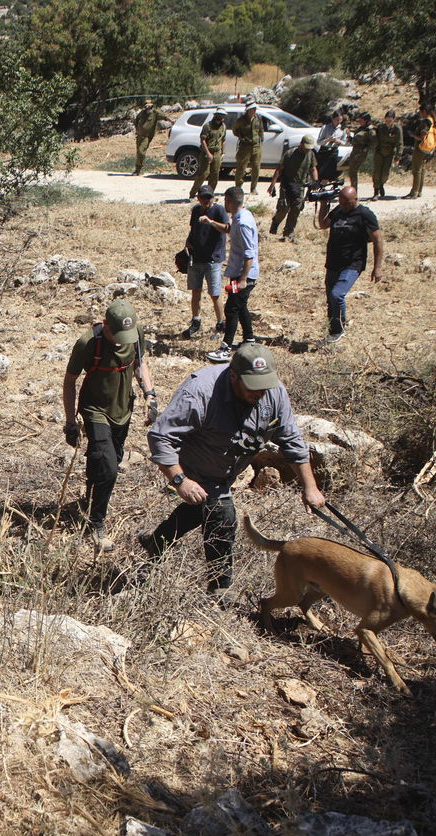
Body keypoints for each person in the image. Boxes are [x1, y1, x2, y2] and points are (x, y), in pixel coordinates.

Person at [142, 343, 326, 604]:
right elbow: (161, 437)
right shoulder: (199, 392)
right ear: (233, 375)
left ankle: (157, 542)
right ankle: (221, 589)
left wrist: (310, 487)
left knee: (201, 505)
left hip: (228, 467)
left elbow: (292, 440)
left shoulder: (273, 392)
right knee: (223, 513)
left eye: (264, 384)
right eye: (252, 385)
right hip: (196, 463)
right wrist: (181, 480)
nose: (260, 392)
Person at [63, 299, 158, 552]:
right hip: (95, 409)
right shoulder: (88, 343)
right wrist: (71, 422)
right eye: (117, 334)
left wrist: (150, 395)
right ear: (105, 325)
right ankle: (97, 523)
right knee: (108, 466)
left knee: (108, 459)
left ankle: (90, 497)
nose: (122, 339)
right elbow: (70, 381)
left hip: (123, 407)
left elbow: (139, 363)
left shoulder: (135, 334)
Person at [315, 185, 384, 344]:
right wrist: (324, 204)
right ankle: (333, 331)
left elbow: (378, 240)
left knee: (337, 294)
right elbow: (323, 224)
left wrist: (377, 267)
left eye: (347, 203)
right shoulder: (339, 210)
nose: (344, 206)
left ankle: (340, 329)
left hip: (353, 263)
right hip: (333, 262)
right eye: (341, 202)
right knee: (330, 299)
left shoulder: (365, 215)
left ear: (356, 199)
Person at [207, 186, 258, 363]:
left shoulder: (243, 222)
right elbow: (230, 229)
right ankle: (249, 339)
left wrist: (243, 279)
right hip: (238, 273)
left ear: (229, 201)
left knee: (232, 308)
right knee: (240, 306)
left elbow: (249, 254)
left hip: (244, 275)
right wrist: (212, 223)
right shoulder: (240, 217)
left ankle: (226, 348)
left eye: (225, 201)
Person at [180, 185, 228, 339]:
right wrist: (188, 241)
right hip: (196, 257)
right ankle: (196, 321)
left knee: (215, 293)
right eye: (203, 198)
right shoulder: (195, 210)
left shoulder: (219, 210)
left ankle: (221, 324)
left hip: (212, 259)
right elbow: (193, 228)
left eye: (209, 197)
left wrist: (211, 222)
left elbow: (227, 228)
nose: (206, 201)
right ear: (199, 198)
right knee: (195, 290)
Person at [268, 134, 319, 244]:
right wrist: (272, 185)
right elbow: (279, 169)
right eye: (306, 147)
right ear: (301, 144)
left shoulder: (311, 154)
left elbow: (313, 168)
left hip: (300, 186)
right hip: (287, 185)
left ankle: (288, 233)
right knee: (284, 208)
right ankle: (275, 223)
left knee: (296, 210)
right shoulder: (290, 154)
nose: (307, 150)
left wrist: (315, 181)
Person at [189, 110, 227, 200]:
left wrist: (222, 153)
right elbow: (203, 140)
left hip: (217, 152)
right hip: (207, 152)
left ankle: (209, 194)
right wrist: (208, 153)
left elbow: (223, 140)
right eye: (219, 115)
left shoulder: (223, 126)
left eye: (223, 115)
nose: (221, 117)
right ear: (215, 115)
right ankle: (193, 193)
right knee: (203, 174)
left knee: (215, 175)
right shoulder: (207, 126)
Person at [404, 105, 436, 199]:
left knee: (416, 169)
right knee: (422, 169)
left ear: (424, 111)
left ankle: (414, 192)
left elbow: (422, 137)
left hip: (420, 147)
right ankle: (419, 191)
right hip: (427, 147)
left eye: (420, 111)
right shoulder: (433, 121)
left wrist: (412, 135)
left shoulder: (425, 122)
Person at [231, 103, 265, 194]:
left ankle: (253, 188)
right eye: (252, 109)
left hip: (256, 146)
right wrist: (241, 137)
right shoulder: (241, 120)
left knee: (256, 167)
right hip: (245, 147)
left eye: (254, 109)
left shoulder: (258, 118)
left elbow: (261, 130)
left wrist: (260, 140)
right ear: (247, 110)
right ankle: (238, 187)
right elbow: (234, 130)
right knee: (241, 168)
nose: (253, 111)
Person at [341, 112, 375, 192]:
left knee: (353, 171)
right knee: (351, 171)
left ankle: (354, 190)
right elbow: (354, 141)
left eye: (362, 120)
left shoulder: (370, 130)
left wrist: (366, 148)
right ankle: (353, 188)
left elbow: (374, 143)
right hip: (355, 152)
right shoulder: (360, 128)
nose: (359, 121)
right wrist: (349, 137)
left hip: (361, 153)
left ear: (367, 121)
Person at [371, 110, 402, 200]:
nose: (388, 122)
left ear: (393, 120)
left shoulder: (397, 129)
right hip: (379, 153)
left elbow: (400, 143)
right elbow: (375, 138)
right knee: (376, 173)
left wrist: (397, 157)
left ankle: (381, 184)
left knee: (385, 174)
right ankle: (376, 191)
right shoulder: (380, 127)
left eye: (390, 120)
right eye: (386, 120)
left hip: (389, 154)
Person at [133, 98, 160, 176]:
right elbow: (136, 120)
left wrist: (172, 121)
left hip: (147, 137)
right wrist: (137, 129)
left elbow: (164, 116)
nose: (148, 108)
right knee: (138, 152)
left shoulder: (155, 113)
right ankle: (137, 170)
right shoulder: (142, 113)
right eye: (147, 107)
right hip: (139, 136)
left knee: (141, 151)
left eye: (150, 106)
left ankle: (140, 167)